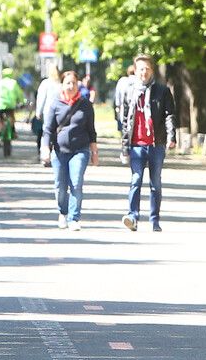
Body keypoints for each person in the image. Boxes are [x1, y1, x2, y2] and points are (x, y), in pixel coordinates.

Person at [113, 54, 177, 231]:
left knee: (155, 183)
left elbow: (169, 115)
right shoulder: (130, 91)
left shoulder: (162, 91)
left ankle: (154, 220)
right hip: (136, 145)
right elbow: (126, 121)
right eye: (141, 68)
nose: (144, 72)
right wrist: (125, 146)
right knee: (136, 179)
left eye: (147, 68)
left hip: (156, 144)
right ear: (135, 70)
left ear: (152, 70)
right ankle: (132, 217)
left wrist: (172, 136)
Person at [43, 68, 98, 230]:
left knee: (76, 183)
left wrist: (94, 153)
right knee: (60, 186)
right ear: (62, 85)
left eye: (74, 83)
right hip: (59, 151)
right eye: (68, 83)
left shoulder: (86, 105)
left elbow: (91, 131)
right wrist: (45, 148)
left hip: (80, 150)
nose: (71, 86)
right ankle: (63, 212)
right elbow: (48, 129)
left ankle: (74, 218)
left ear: (78, 85)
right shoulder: (55, 103)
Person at [30, 61, 62, 155]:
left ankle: (45, 153)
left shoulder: (45, 83)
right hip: (60, 112)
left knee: (46, 131)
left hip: (48, 112)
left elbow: (41, 98)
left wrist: (38, 112)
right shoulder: (61, 84)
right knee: (58, 132)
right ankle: (57, 151)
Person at [0, 69, 26, 147]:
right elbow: (19, 94)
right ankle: (13, 132)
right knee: (12, 118)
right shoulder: (14, 83)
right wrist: (22, 102)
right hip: (11, 105)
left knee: (1, 120)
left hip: (0, 105)